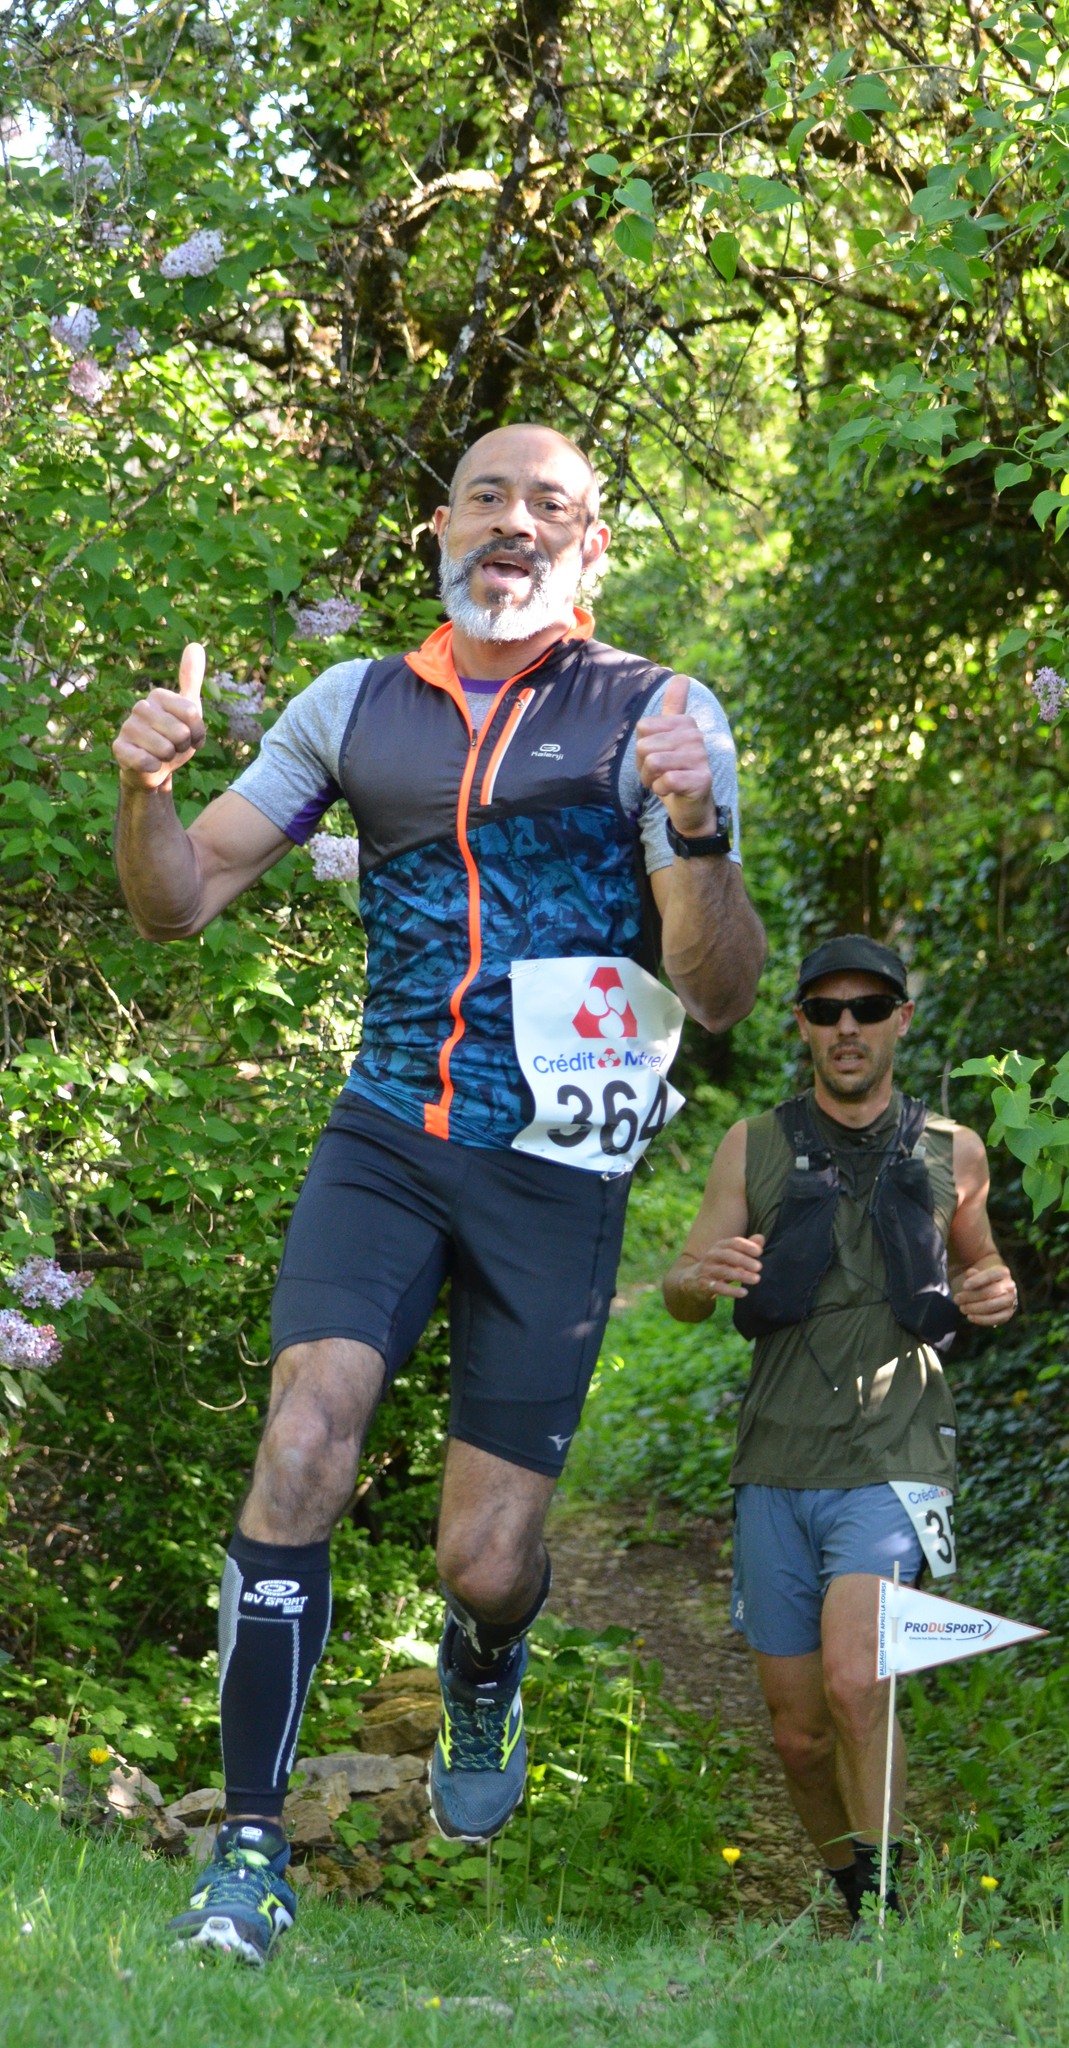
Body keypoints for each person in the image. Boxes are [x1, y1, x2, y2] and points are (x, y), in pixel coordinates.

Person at [112, 422, 765, 1962]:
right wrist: (144, 790)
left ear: (594, 547)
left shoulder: (656, 713)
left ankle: (485, 1656)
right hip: (389, 1138)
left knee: (484, 1558)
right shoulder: (354, 707)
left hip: (553, 1175)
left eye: (552, 505)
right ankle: (248, 1855)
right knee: (301, 1440)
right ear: (441, 532)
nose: (514, 523)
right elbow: (177, 902)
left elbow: (721, 991)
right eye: (486, 498)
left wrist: (696, 829)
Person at [662, 936, 1016, 1929]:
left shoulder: (955, 1149)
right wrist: (699, 1278)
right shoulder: (752, 1145)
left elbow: (981, 1268)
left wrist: (995, 1290)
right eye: (826, 1010)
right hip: (776, 1457)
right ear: (804, 1027)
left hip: (899, 1453)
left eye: (867, 1008)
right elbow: (683, 1286)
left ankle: (893, 1922)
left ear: (902, 1018)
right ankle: (858, 1891)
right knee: (800, 1734)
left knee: (859, 1683)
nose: (847, 1027)